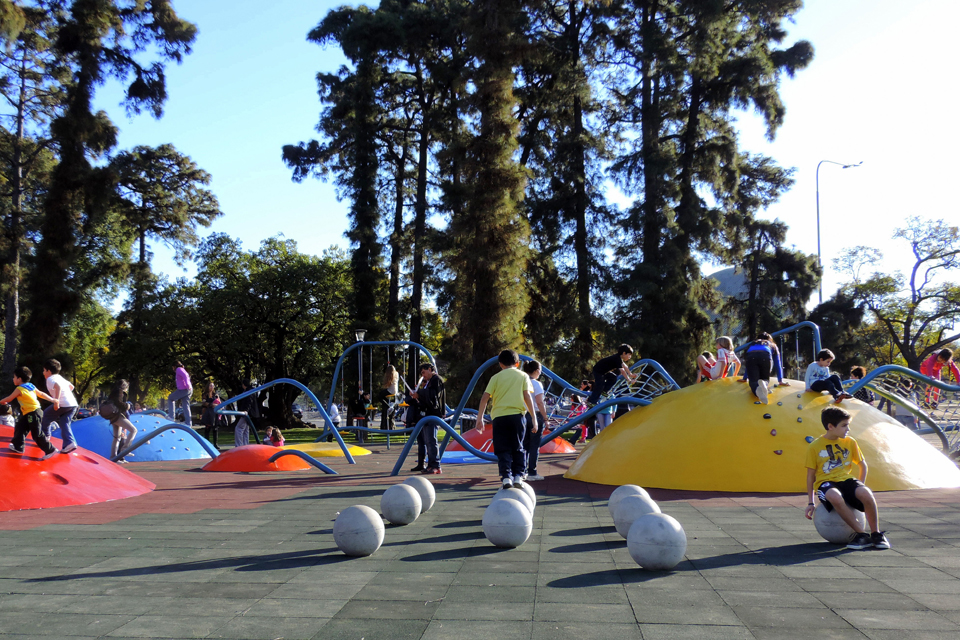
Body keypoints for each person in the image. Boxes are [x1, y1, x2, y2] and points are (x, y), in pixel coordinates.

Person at [804, 406, 890, 550]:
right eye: (844, 425)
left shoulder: (850, 442)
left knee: (866, 493)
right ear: (830, 427)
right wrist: (810, 502)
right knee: (835, 496)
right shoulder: (815, 446)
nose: (848, 429)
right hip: (825, 483)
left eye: (848, 425)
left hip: (846, 479)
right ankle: (862, 534)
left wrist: (860, 487)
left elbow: (862, 465)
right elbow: (810, 476)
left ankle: (876, 534)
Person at [475, 350, 538, 489]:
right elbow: (527, 396)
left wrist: (480, 418)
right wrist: (534, 418)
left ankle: (506, 477)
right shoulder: (523, 376)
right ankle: (518, 475)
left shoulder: (495, 377)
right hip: (517, 416)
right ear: (517, 363)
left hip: (499, 417)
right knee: (518, 446)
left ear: (500, 364)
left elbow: (485, 398)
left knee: (502, 448)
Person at [3, 366, 59, 459]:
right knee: (20, 427)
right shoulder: (31, 386)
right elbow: (41, 394)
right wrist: (52, 400)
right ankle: (18, 446)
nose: (13, 379)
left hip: (33, 413)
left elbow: (9, 398)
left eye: (14, 377)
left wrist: (1, 401)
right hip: (33, 412)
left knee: (36, 434)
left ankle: (50, 449)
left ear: (19, 379)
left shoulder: (19, 389)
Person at [409, 362, 445, 475]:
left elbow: (433, 396)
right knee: (428, 441)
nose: (423, 375)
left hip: (433, 414)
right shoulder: (430, 382)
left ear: (430, 369)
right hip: (428, 414)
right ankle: (431, 465)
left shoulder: (436, 380)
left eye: (424, 372)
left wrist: (419, 393)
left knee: (431, 440)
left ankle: (435, 465)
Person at [40, 358, 80, 453]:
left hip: (62, 404)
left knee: (45, 416)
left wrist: (56, 401)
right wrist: (65, 394)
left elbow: (57, 386)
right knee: (64, 422)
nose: (43, 373)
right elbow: (71, 387)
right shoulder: (60, 377)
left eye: (44, 370)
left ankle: (45, 437)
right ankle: (70, 443)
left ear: (49, 371)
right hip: (73, 404)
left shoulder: (50, 379)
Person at [742, 333, 789, 404]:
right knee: (765, 378)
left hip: (751, 357)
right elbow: (777, 363)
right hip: (765, 356)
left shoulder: (752, 343)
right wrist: (780, 380)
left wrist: (745, 378)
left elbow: (748, 365)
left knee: (753, 382)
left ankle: (757, 391)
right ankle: (764, 384)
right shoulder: (772, 344)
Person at [522, 360, 548, 482]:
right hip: (535, 415)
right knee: (534, 445)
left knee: (524, 445)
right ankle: (532, 471)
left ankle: (521, 471)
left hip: (523, 414)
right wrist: (546, 418)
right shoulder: (537, 384)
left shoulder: (522, 382)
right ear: (537, 371)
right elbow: (540, 402)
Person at [107, 379, 138, 463]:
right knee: (133, 430)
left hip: (112, 416)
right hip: (118, 416)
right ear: (125, 387)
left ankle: (113, 458)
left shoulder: (113, 392)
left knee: (117, 438)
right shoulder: (120, 392)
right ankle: (125, 449)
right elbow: (119, 404)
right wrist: (127, 406)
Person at [235, 379, 258, 446]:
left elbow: (249, 401)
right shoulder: (252, 391)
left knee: (239, 428)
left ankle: (239, 445)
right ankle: (245, 445)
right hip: (250, 413)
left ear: (244, 385)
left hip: (246, 413)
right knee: (245, 429)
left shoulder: (248, 392)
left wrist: (246, 410)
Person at [200, 381, 221, 450]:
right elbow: (203, 403)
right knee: (207, 427)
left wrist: (217, 405)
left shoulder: (215, 395)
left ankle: (215, 444)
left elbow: (219, 402)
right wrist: (210, 404)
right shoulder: (205, 394)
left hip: (215, 412)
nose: (212, 387)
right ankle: (207, 443)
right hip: (208, 413)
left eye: (213, 386)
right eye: (210, 386)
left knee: (215, 428)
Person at [378, 365, 399, 430]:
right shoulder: (396, 374)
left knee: (380, 395)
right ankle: (388, 404)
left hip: (391, 390)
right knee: (382, 396)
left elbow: (388, 384)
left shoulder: (390, 375)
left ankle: (388, 405)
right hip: (395, 390)